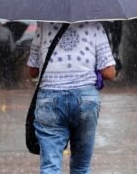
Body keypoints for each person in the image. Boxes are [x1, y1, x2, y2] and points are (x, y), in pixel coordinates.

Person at [27, 21, 116, 174]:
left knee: (50, 166)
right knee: (81, 167)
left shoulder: (44, 25)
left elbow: (33, 71)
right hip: (85, 101)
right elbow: (108, 72)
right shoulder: (95, 25)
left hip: (50, 98)